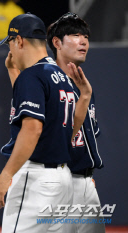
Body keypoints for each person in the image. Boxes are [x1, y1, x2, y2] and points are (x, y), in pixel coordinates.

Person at [0, 12, 92, 233]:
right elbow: (69, 130)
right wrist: (13, 70)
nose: (10, 51)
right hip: (62, 179)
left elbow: (33, 128)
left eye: (11, 44)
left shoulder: (32, 76)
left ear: (19, 41)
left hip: (36, 178)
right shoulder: (61, 76)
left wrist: (5, 176)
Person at [47, 12, 105, 232]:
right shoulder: (45, 82)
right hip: (59, 183)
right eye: (75, 35)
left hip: (84, 182)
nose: (83, 41)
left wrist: (85, 175)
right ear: (57, 43)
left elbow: (85, 139)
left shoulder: (82, 87)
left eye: (86, 37)